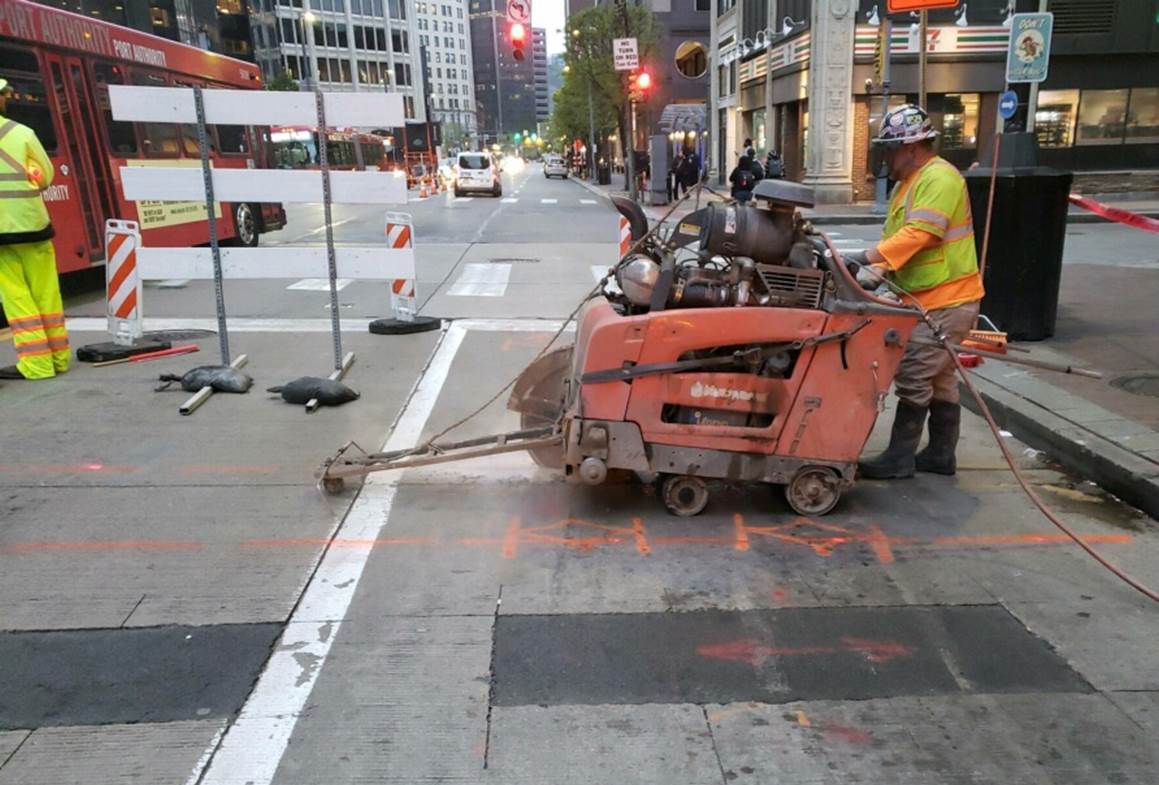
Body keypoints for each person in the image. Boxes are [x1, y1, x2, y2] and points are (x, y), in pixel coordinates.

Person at [845, 104, 984, 480]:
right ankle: (940, 455)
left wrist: (865, 257)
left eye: (890, 149)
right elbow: (900, 243)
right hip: (930, 297)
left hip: (946, 299)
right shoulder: (910, 183)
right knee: (940, 378)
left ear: (912, 146)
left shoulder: (939, 178)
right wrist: (878, 269)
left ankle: (900, 459)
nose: (886, 157)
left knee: (913, 372)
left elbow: (922, 234)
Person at [0, 77, 69, 380]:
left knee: (16, 297)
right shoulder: (22, 133)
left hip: (1, 235)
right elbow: (45, 178)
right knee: (46, 292)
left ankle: (36, 365)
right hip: (33, 224)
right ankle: (59, 358)